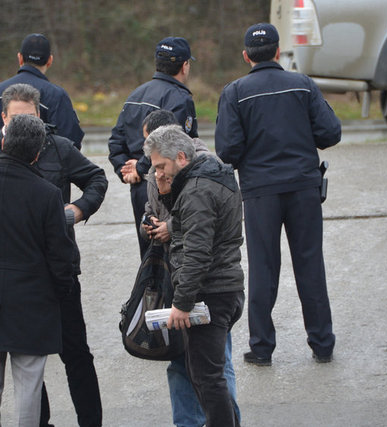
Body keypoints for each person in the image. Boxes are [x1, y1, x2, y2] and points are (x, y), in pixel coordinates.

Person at [0, 83, 107, 427]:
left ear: (39, 115)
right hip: (12, 279)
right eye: (16, 118)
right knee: (29, 362)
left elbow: (96, 178)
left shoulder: (60, 148)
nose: (24, 124)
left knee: (75, 354)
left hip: (57, 272)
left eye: (30, 117)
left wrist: (79, 208)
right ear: (3, 118)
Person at [215, 23, 341, 366]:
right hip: (304, 187)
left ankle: (261, 347)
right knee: (310, 265)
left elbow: (227, 150)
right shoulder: (303, 85)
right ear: (277, 51)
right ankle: (322, 344)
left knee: (263, 269)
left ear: (246, 56)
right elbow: (330, 133)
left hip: (260, 192)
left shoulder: (235, 92)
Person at [140, 110, 240, 427]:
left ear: (181, 157)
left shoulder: (197, 190)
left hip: (211, 291)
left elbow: (197, 252)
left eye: (161, 167)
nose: (156, 174)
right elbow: (188, 229)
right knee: (206, 375)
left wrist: (182, 304)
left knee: (208, 378)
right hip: (223, 287)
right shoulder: (205, 178)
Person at [108, 36, 198, 260]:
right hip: (167, 185)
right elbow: (175, 146)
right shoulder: (180, 98)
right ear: (185, 65)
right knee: (175, 257)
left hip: (139, 188)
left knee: (149, 257)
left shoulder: (135, 95)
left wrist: (126, 170)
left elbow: (115, 141)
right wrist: (140, 168)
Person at [0, 33, 84, 148]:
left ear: (20, 58)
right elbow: (70, 141)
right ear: (50, 60)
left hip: (0, 158)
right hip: (43, 160)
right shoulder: (57, 95)